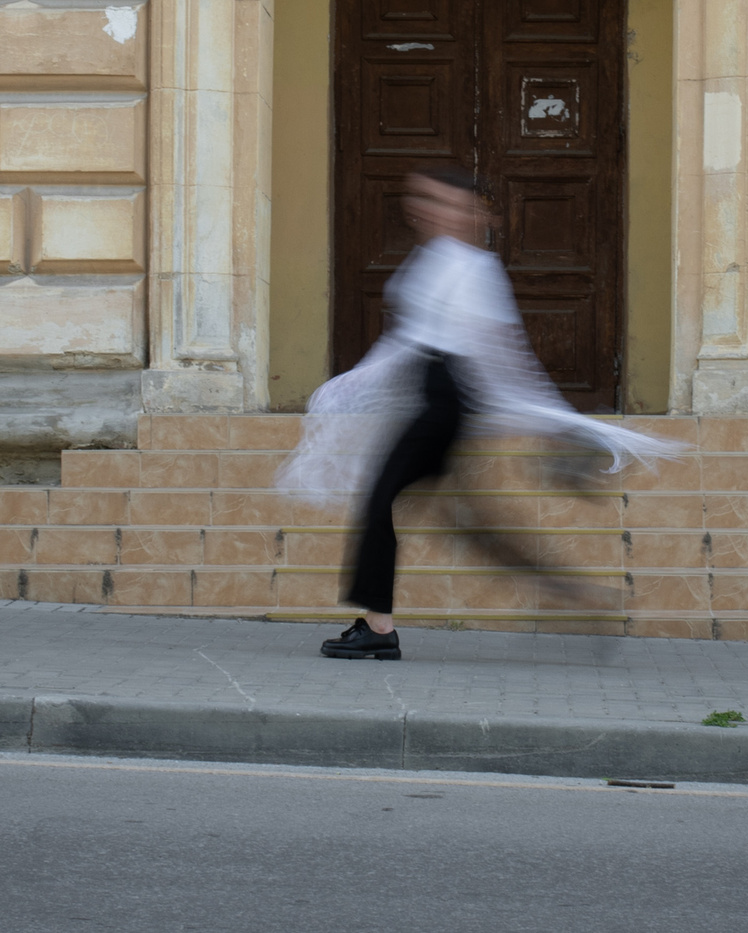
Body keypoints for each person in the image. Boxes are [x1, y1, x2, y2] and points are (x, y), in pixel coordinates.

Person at [281, 164, 678, 661]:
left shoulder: (476, 269)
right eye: (423, 198)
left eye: (442, 200)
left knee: (382, 499)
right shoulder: (434, 259)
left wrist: (549, 420)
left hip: (445, 403)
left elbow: (502, 357)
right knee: (468, 522)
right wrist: (353, 384)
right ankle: (572, 593)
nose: (427, 208)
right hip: (428, 397)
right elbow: (406, 341)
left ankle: (378, 630)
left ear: (470, 213)